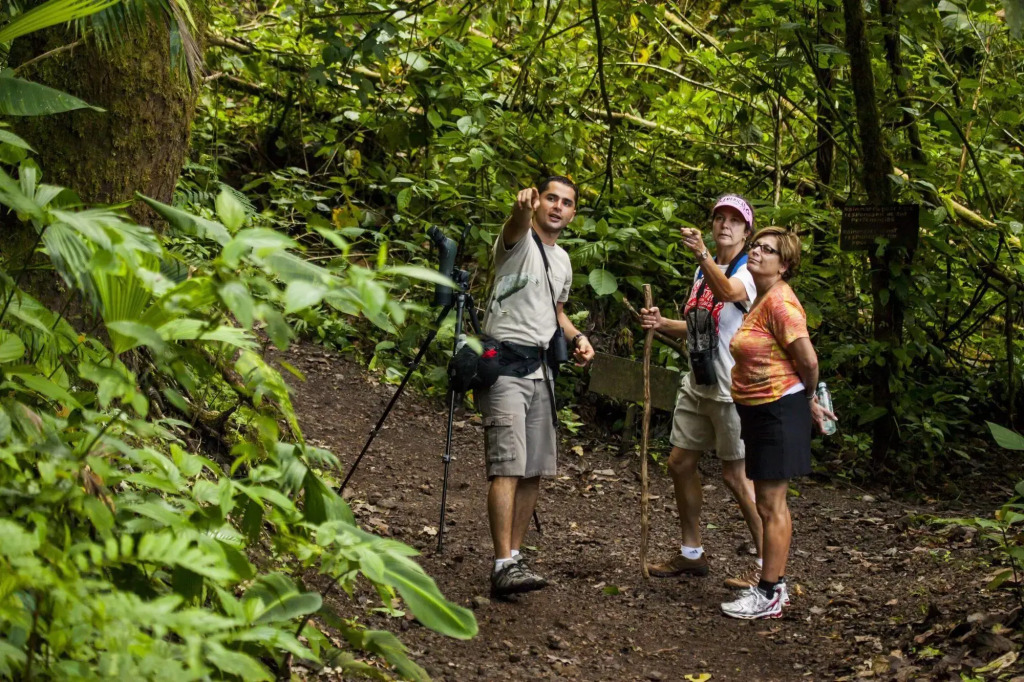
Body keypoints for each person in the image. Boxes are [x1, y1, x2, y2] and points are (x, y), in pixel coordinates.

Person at [477, 176, 595, 598]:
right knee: (507, 465)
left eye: (566, 202)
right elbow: (515, 221)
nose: (558, 207)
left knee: (533, 472)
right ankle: (501, 563)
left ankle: (515, 556)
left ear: (573, 212)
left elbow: (556, 314)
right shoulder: (517, 239)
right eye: (551, 198)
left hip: (542, 372)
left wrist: (578, 338)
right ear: (539, 201)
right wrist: (521, 206)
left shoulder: (562, 260)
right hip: (505, 367)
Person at [640, 194, 764, 588]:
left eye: (734, 220)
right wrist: (663, 323)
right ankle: (691, 553)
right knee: (679, 462)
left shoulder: (748, 273)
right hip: (698, 381)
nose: (725, 225)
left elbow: (729, 293)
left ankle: (766, 563)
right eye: (719, 218)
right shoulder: (703, 272)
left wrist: (703, 257)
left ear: (747, 230)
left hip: (732, 387)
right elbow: (701, 324)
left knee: (736, 476)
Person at [719, 226, 836, 620]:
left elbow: (809, 360)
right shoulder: (762, 297)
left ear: (784, 265)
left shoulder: (782, 303)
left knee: (771, 503)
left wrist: (808, 399)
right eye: (756, 246)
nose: (756, 253)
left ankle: (769, 593)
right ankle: (772, 588)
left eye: (768, 250)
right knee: (770, 501)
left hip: (777, 410)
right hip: (760, 408)